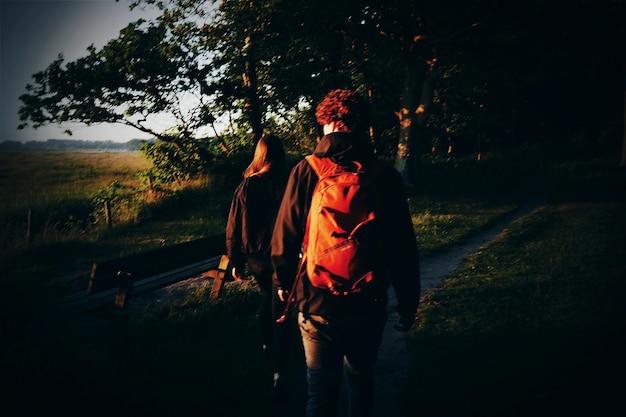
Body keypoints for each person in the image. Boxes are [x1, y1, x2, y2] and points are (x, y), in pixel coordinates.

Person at [271, 89, 421, 417]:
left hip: (316, 301)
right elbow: (402, 246)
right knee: (361, 381)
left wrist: (284, 282)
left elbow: (283, 237)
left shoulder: (306, 170)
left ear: (326, 124)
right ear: (361, 126)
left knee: (320, 391)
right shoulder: (384, 176)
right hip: (368, 301)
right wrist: (409, 302)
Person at [225, 133, 292, 401]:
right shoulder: (288, 184)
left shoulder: (247, 186)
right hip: (284, 255)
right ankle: (280, 373)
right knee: (282, 307)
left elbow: (233, 227)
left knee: (266, 294)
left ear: (260, 154)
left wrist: (235, 260)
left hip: (256, 257)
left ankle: (266, 344)